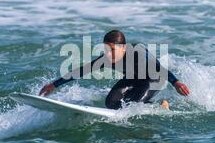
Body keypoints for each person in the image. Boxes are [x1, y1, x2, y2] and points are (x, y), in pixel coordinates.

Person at [39, 30, 190, 109]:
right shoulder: (106, 58)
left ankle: (161, 104)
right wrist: (54, 84)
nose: (108, 53)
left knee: (132, 105)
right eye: (105, 49)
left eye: (111, 49)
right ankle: (150, 104)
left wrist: (176, 82)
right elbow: (82, 70)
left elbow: (158, 68)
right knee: (111, 103)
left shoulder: (138, 54)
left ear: (123, 48)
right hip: (133, 77)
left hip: (153, 78)